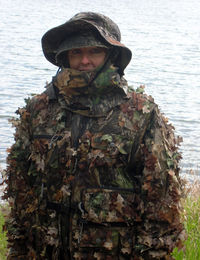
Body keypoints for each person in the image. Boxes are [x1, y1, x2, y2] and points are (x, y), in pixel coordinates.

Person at [3, 12, 186, 259]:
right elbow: (20, 191)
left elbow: (160, 204)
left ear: (111, 55)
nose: (85, 60)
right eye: (76, 52)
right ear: (65, 56)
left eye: (94, 51)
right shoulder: (37, 110)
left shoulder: (141, 114)